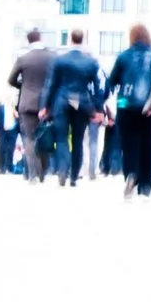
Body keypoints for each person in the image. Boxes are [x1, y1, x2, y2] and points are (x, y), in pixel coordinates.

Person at [39, 29, 102, 187]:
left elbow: (50, 84)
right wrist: (97, 110)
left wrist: (44, 106)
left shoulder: (60, 60)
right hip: (82, 103)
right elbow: (97, 87)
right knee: (78, 140)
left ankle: (62, 171)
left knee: (61, 138)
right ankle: (74, 176)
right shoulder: (91, 62)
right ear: (83, 40)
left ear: (70, 40)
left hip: (62, 101)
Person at [107, 24, 151, 196]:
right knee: (148, 144)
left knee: (129, 143)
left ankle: (131, 174)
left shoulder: (123, 57)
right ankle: (146, 186)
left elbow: (112, 81)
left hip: (126, 107)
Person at [7, 29, 54, 181]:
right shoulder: (52, 57)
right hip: (46, 104)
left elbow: (11, 80)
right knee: (45, 136)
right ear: (41, 38)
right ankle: (43, 172)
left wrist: (23, 85)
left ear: (28, 41)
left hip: (26, 104)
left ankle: (32, 173)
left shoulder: (23, 59)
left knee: (29, 139)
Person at [0, 103, 15, 176]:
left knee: (11, 149)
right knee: (1, 149)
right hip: (2, 131)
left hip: (12, 131)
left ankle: (9, 168)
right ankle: (1, 168)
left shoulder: (15, 108)